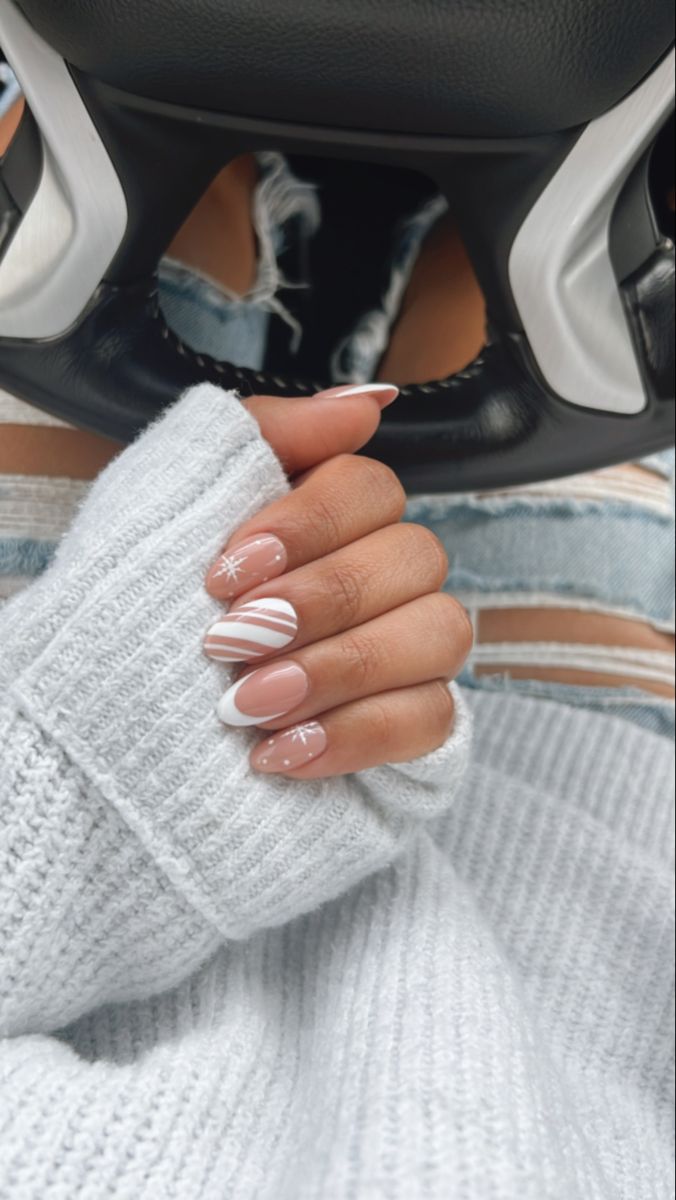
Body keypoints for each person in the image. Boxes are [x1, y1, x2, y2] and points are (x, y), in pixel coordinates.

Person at [0, 95, 674, 1199]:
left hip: (63, 719)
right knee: (560, 263)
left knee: (115, 174)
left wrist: (74, 783)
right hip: (595, 869)